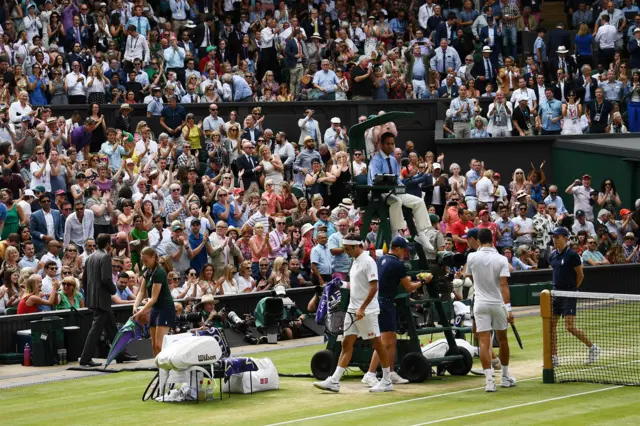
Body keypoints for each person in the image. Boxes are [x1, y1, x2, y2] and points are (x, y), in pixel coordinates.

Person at [313, 234, 393, 393]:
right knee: (346, 344)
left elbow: (373, 287)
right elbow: (357, 285)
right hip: (353, 310)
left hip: (367, 311)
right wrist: (341, 283)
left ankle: (387, 380)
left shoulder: (369, 262)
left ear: (357, 246)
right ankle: (335, 381)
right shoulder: (355, 261)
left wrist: (362, 308)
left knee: (377, 344)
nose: (345, 251)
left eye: (348, 249)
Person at [362, 236, 426, 387]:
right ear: (397, 249)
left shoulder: (382, 260)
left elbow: (396, 278)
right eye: (404, 250)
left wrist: (415, 277)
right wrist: (423, 281)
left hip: (381, 302)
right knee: (384, 341)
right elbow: (409, 287)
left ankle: (390, 373)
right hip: (385, 304)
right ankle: (370, 373)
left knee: (391, 340)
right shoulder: (398, 264)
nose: (405, 253)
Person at [466, 228, 516, 392]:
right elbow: (503, 285)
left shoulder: (472, 257)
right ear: (492, 240)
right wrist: (508, 309)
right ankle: (505, 377)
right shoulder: (501, 259)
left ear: (478, 241)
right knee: (503, 340)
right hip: (497, 304)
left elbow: (471, 277)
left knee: (483, 342)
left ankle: (489, 382)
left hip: (480, 304)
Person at [367, 132, 433, 251]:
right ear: (382, 144)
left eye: (392, 144)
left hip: (395, 191)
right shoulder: (375, 160)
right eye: (388, 144)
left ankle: (420, 233)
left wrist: (401, 186)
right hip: (378, 193)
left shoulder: (393, 160)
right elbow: (374, 179)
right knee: (396, 201)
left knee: (418, 201)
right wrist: (388, 182)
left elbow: (397, 178)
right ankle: (395, 233)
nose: (390, 146)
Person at [79, 234, 136, 366]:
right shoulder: (104, 257)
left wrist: (89, 296)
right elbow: (106, 279)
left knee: (111, 329)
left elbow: (85, 280)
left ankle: (120, 354)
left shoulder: (90, 257)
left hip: (94, 298)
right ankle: (85, 358)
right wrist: (113, 290)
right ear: (108, 244)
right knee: (95, 330)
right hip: (102, 300)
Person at [549, 227, 600, 366]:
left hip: (569, 293)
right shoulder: (552, 255)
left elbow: (580, 275)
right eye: (553, 237)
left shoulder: (572, 255)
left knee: (569, 327)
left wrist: (573, 289)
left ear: (565, 238)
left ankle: (593, 348)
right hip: (556, 293)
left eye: (557, 237)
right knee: (551, 327)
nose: (554, 240)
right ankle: (554, 358)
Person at [133, 247, 175, 356]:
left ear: (153, 257)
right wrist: (135, 305)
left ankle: (166, 369)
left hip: (165, 308)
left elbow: (154, 298)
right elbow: (141, 292)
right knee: (153, 344)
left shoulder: (159, 272)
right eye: (143, 261)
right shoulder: (147, 271)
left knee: (159, 345)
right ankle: (159, 369)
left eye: (146, 260)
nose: (144, 263)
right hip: (155, 308)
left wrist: (140, 311)